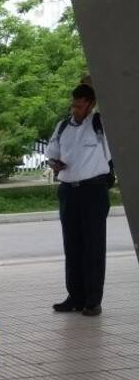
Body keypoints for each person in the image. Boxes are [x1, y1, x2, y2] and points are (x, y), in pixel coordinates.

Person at [47, 84, 112, 317]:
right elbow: (51, 151)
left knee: (93, 246)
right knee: (72, 245)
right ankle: (75, 296)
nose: (75, 109)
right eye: (73, 104)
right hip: (68, 190)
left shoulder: (99, 124)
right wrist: (54, 162)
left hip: (93, 189)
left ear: (91, 104)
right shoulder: (63, 126)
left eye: (80, 105)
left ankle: (93, 301)